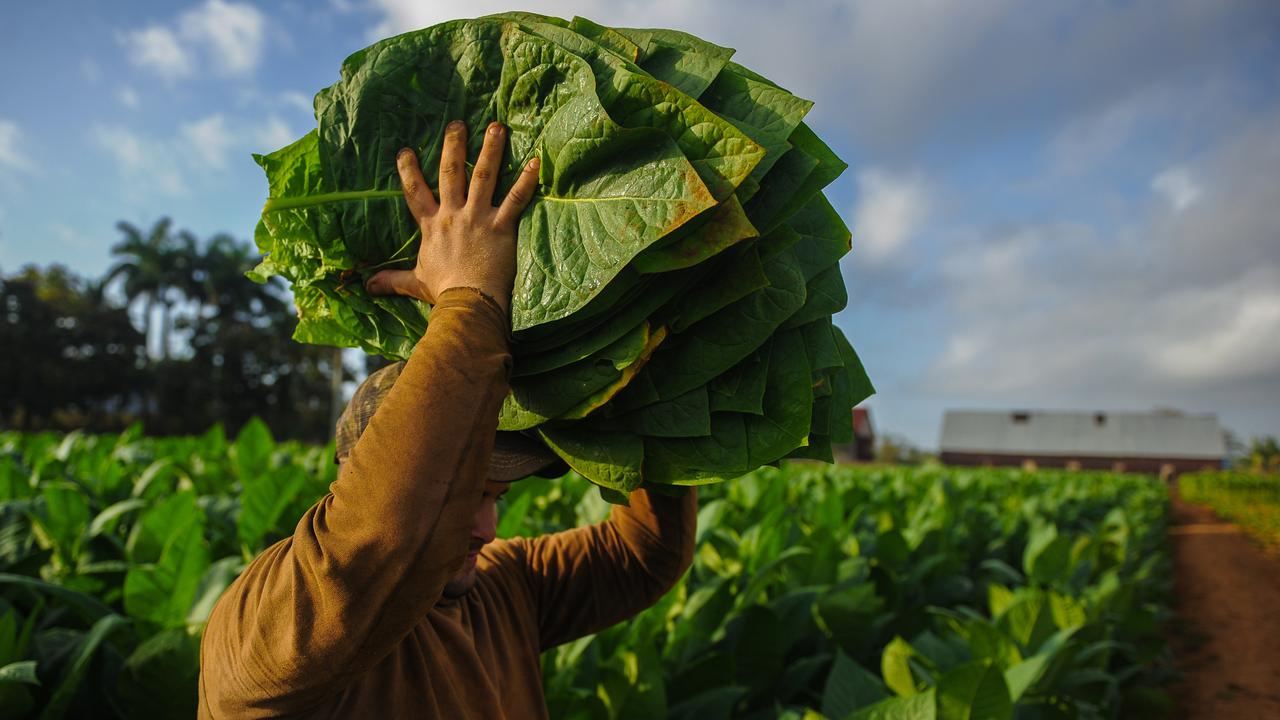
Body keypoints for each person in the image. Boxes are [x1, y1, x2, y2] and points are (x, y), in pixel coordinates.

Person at [197, 120, 698, 719]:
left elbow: (644, 554)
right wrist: (468, 298)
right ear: (362, 477)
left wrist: (638, 370)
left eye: (496, 497)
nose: (485, 527)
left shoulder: (501, 589)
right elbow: (376, 543)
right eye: (466, 495)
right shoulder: (271, 627)